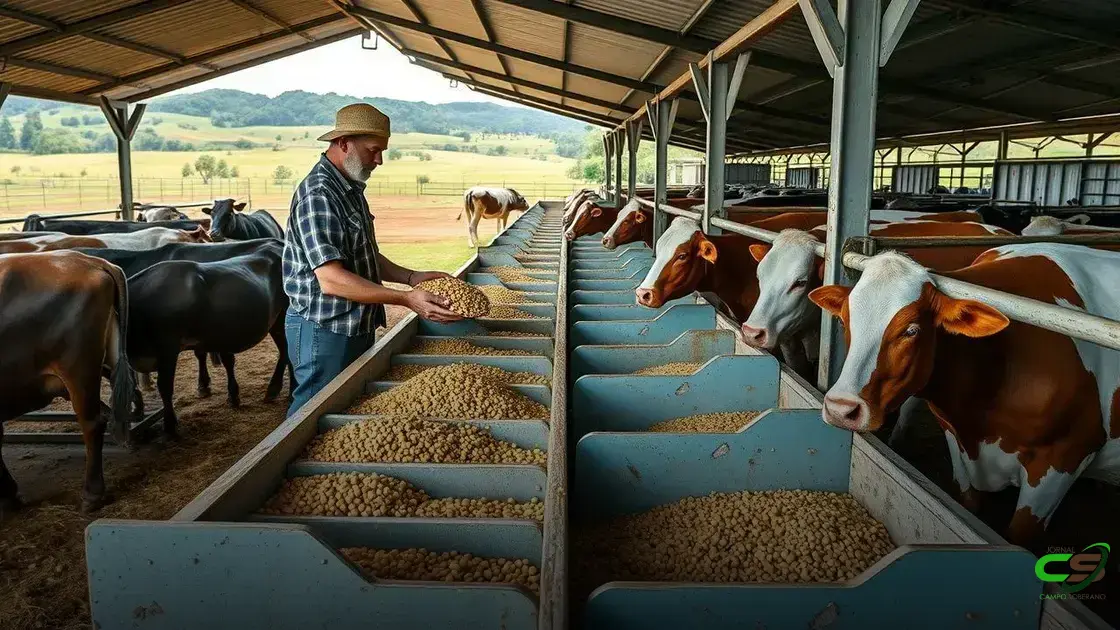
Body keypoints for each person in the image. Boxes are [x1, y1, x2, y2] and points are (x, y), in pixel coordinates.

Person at [282, 103, 462, 417]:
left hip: (355, 322)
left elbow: (364, 254)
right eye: (373, 151)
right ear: (343, 144)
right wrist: (406, 300)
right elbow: (331, 278)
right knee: (311, 417)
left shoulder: (350, 189)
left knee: (346, 407)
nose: (379, 160)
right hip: (325, 327)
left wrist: (411, 277)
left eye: (382, 152)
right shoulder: (319, 193)